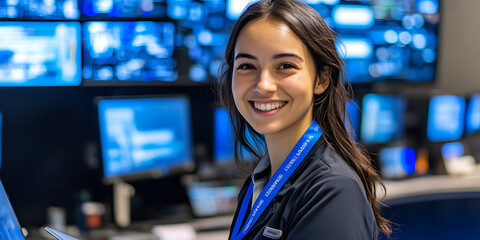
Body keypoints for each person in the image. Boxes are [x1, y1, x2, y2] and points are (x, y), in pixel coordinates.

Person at [216, 0, 392, 239]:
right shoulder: (262, 180)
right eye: (247, 66)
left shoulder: (333, 191)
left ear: (322, 79)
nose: (263, 85)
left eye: (285, 66)